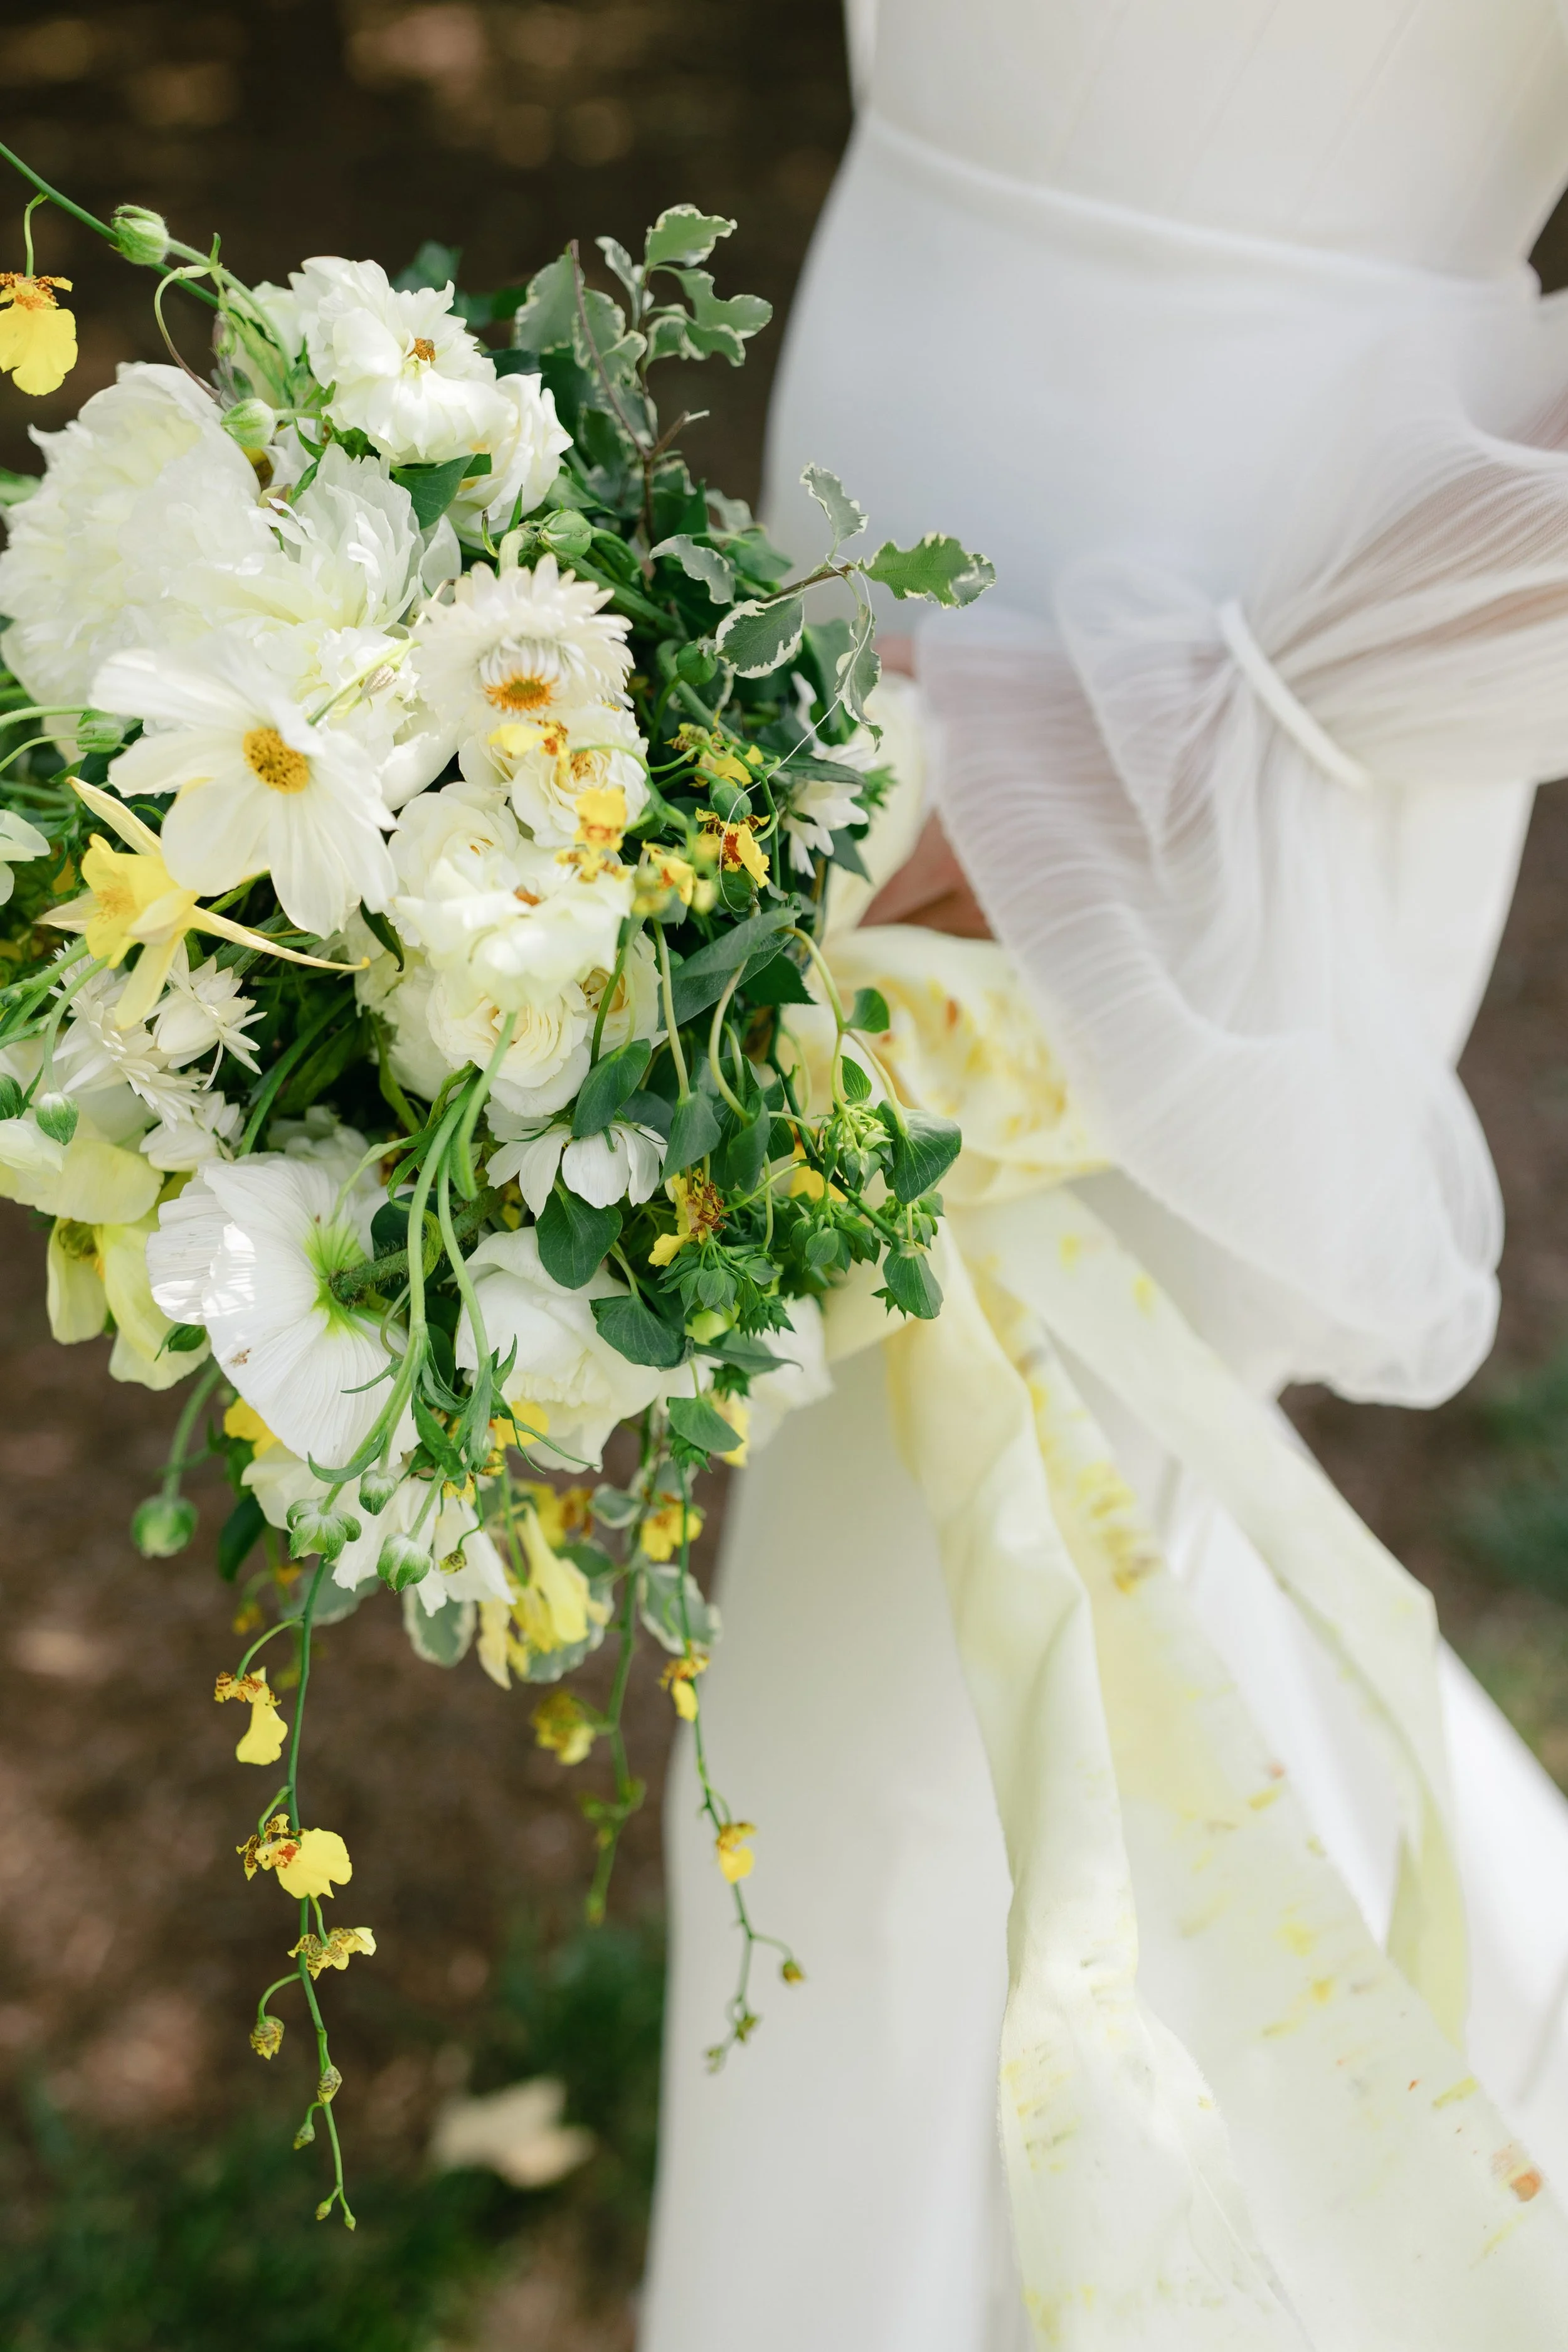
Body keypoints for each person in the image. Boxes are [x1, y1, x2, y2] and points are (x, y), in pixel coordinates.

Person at [641, 5, 1568, 2344]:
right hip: (871, 543)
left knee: (900, 1733)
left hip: (1227, 689)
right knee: (1024, 1621)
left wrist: (1101, 751)